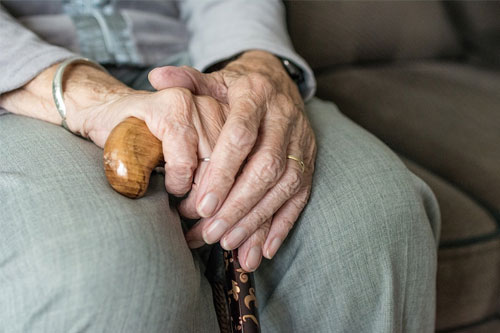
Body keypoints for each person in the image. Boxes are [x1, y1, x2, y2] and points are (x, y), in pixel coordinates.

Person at [0, 1, 440, 332]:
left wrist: (259, 64)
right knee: (104, 274)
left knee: (376, 221)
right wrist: (87, 95)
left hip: (198, 65)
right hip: (20, 83)